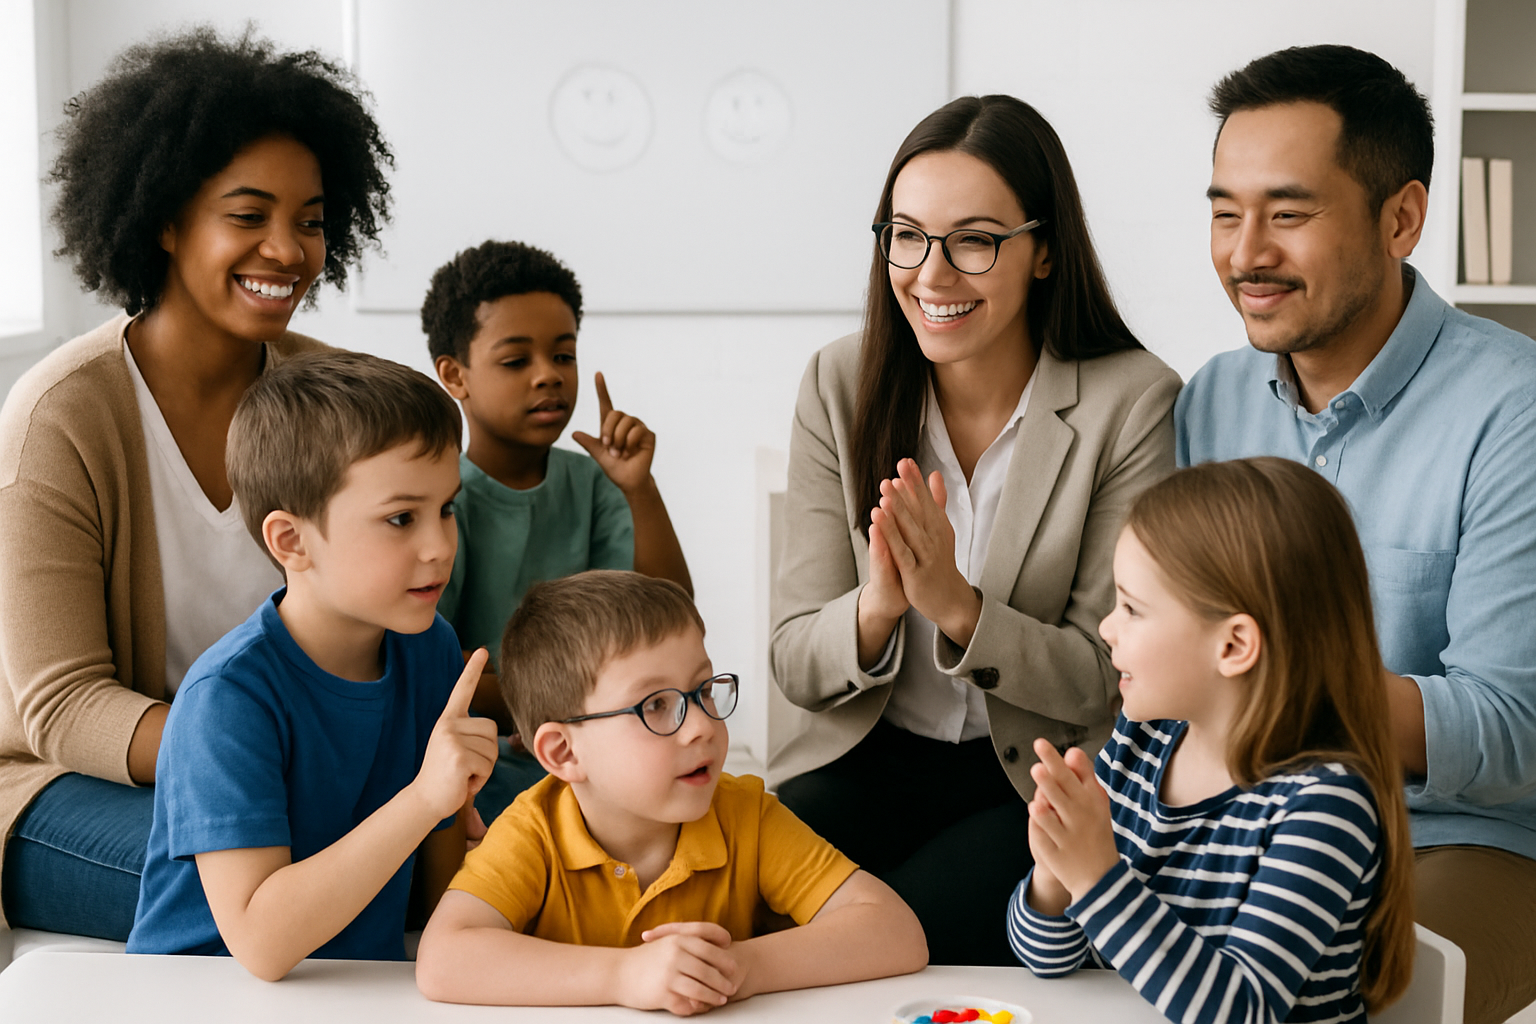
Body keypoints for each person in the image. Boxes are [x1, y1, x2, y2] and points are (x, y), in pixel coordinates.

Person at [768, 94, 1181, 965]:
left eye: (975, 240)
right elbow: (797, 662)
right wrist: (879, 607)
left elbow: (1104, 679)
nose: (930, 274)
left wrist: (959, 608)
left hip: (1031, 784)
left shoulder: (1132, 401)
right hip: (861, 758)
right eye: (906, 236)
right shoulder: (839, 384)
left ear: (1043, 252)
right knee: (742, 904)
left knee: (886, 944)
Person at [0, 28, 392, 939]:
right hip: (68, 787)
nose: (287, 250)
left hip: (296, 768)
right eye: (248, 216)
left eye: (311, 219)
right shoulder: (64, 416)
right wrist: (266, 757)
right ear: (167, 220)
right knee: (301, 888)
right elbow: (61, 707)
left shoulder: (331, 396)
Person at [1176, 45, 1536, 1024]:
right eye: (1223, 211)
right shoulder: (1208, 402)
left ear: (1401, 218)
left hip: (1457, 841)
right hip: (1245, 830)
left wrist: (1291, 685)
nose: (1244, 252)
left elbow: (1515, 729)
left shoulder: (1516, 408)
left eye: (1288, 214)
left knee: (1352, 1001)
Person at [126, 352, 498, 979]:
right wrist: (425, 798)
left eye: (446, 509)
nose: (439, 546)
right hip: (202, 995)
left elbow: (440, 878)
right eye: (401, 518)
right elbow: (261, 945)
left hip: (355, 989)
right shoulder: (229, 698)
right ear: (291, 541)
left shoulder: (430, 646)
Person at [1008, 458, 1415, 1023]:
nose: (1106, 627)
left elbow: (1242, 1012)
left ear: (1233, 646)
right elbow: (1047, 962)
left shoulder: (1325, 807)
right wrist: (1055, 875)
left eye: (1131, 608)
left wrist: (1097, 876)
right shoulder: (1141, 741)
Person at [416, 571, 927, 1014]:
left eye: (703, 691)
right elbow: (442, 959)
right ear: (564, 754)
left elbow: (896, 932)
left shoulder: (745, 815)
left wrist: (737, 968)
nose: (702, 725)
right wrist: (625, 976)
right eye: (656, 705)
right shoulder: (534, 830)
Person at [423, 239, 692, 822]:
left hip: (599, 750)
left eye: (563, 356)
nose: (548, 376)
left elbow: (668, 619)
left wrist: (638, 488)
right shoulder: (442, 499)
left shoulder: (593, 483)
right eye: (517, 361)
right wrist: (548, 710)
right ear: (454, 374)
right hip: (486, 765)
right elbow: (432, 674)